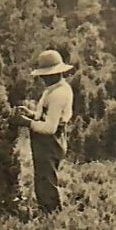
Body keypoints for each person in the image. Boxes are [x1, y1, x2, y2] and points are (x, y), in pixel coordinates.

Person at [13, 49, 75, 213]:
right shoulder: (53, 89)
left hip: (50, 141)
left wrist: (27, 122)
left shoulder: (59, 94)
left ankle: (52, 215)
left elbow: (49, 128)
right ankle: (46, 211)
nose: (42, 78)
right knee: (42, 178)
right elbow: (47, 117)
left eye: (45, 75)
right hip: (45, 140)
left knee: (46, 180)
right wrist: (31, 113)